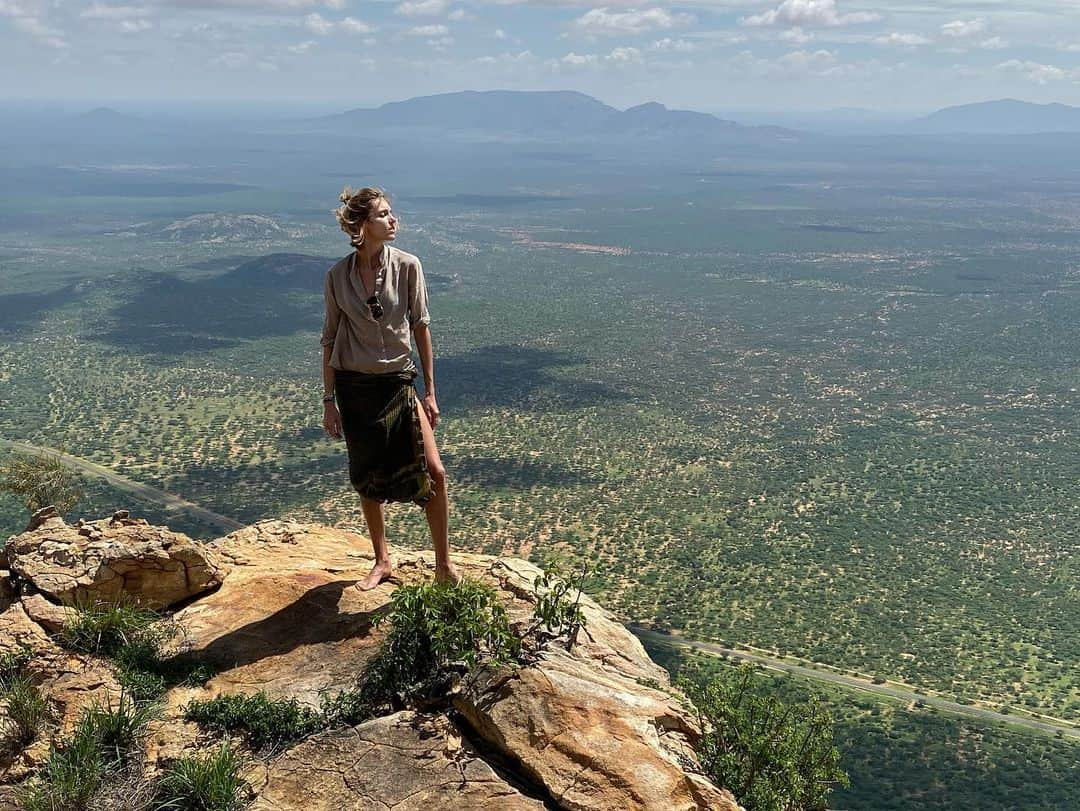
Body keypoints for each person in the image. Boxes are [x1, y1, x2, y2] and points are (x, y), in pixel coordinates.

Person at [320, 186, 459, 590]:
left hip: (399, 382)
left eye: (391, 213)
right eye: (383, 214)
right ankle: (382, 559)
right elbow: (329, 339)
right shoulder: (337, 277)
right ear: (362, 225)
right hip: (354, 386)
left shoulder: (408, 266)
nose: (393, 219)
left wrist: (430, 391)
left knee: (434, 471)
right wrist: (329, 401)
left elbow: (421, 328)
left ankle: (444, 566)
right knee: (367, 476)